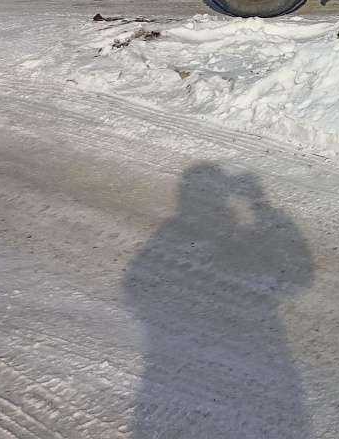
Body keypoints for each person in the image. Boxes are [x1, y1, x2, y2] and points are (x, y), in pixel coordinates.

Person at [124, 163, 314, 437]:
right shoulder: (240, 243)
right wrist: (260, 205)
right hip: (240, 375)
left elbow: (135, 285)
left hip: (187, 372)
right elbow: (297, 275)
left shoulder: (174, 235)